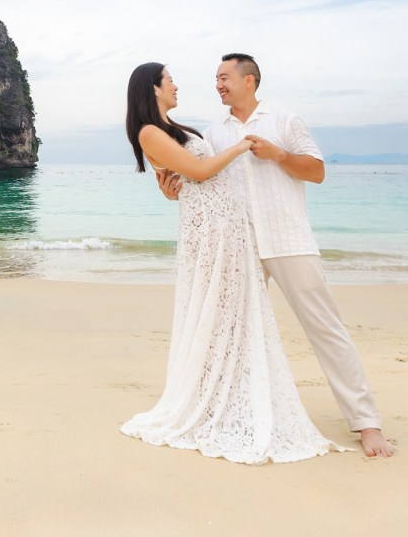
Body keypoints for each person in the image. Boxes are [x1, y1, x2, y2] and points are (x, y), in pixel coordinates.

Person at [159, 53, 394, 457]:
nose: (218, 84)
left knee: (325, 328)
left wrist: (279, 155)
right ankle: (228, 413)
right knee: (226, 335)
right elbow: (203, 178)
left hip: (288, 241)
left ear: (249, 80)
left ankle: (366, 423)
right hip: (237, 247)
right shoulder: (214, 132)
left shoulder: (284, 120)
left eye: (225, 77)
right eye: (215, 79)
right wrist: (171, 190)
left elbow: (317, 171)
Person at [120, 62, 342, 465]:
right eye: (169, 80)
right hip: (212, 232)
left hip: (225, 227)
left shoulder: (173, 128)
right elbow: (201, 171)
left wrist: (175, 190)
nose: (176, 84)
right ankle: (212, 402)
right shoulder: (150, 131)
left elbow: (184, 179)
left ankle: (234, 394)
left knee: (231, 316)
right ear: (152, 89)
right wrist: (241, 146)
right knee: (217, 314)